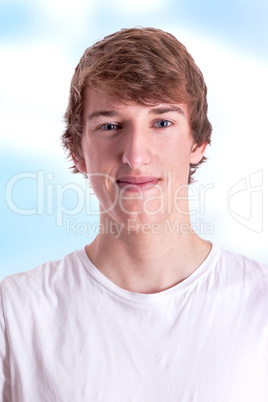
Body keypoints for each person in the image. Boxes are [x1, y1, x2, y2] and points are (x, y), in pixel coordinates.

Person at [0, 27, 267, 402]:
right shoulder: (14, 313)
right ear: (77, 152)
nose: (135, 155)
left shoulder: (261, 304)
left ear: (198, 142)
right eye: (110, 126)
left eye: (161, 122)